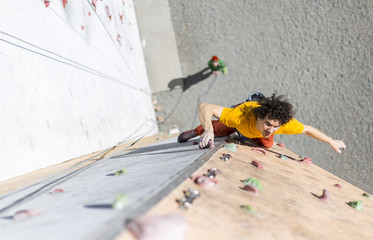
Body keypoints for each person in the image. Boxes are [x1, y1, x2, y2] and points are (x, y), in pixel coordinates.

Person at [177, 92, 346, 153]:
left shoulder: (283, 125)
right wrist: (208, 130)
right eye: (268, 124)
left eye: (275, 127)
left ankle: (244, 136)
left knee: (267, 145)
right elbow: (205, 107)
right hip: (240, 124)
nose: (271, 130)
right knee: (219, 129)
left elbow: (307, 129)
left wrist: (331, 140)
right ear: (258, 117)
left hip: (251, 131)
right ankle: (195, 132)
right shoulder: (239, 115)